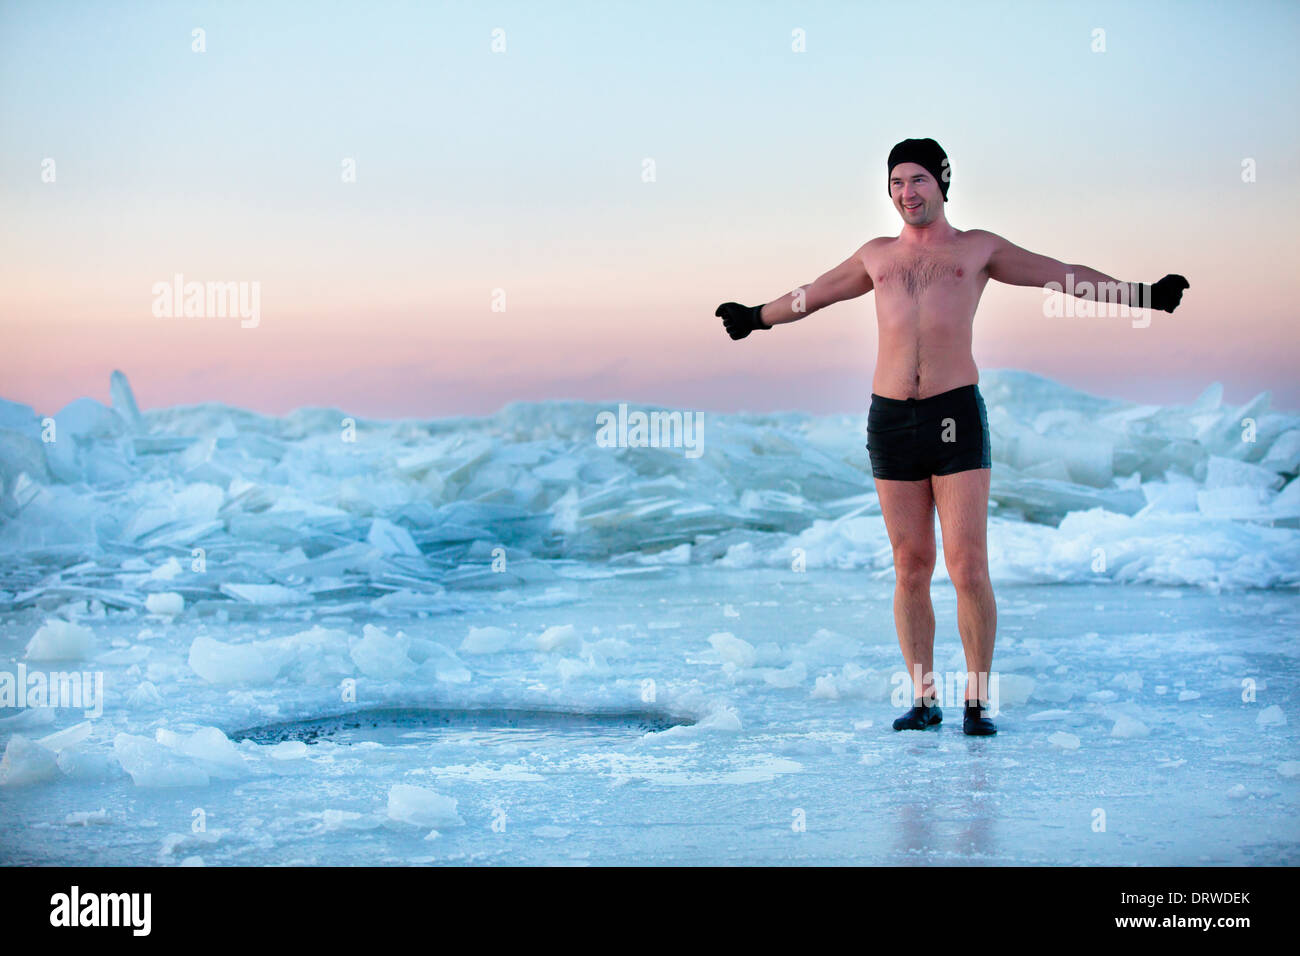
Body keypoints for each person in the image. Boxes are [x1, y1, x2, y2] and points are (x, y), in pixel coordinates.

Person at [716, 137, 1188, 736]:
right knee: (910, 564)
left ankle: (977, 701)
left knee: (968, 566)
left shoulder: (978, 250)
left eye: (917, 180)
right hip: (891, 419)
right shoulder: (876, 255)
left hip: (954, 415)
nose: (906, 193)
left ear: (942, 182)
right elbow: (814, 293)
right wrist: (755, 316)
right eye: (895, 183)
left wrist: (1142, 295)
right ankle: (923, 698)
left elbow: (1060, 276)